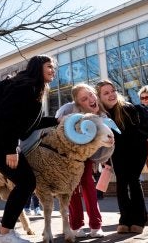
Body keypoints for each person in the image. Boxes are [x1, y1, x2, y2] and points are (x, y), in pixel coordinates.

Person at [0, 55, 58, 243]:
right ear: (37, 67)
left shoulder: (31, 87)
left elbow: (27, 122)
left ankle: (5, 232)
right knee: (26, 182)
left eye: (54, 67)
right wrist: (11, 148)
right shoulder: (26, 87)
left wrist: (57, 121)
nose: (53, 70)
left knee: (25, 182)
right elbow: (7, 117)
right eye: (49, 66)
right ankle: (4, 234)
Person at [96, 80, 148, 234]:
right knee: (122, 182)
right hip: (117, 151)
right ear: (99, 97)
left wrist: (139, 135)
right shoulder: (101, 115)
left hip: (136, 149)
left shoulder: (131, 108)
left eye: (113, 90)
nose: (111, 94)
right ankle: (125, 219)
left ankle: (139, 220)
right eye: (106, 93)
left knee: (133, 181)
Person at [55, 83, 113, 238]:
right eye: (84, 99)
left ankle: (96, 225)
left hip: (86, 157)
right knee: (72, 190)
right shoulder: (68, 109)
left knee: (88, 186)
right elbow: (54, 126)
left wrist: (98, 159)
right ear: (78, 103)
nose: (91, 99)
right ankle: (76, 226)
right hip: (67, 157)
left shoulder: (102, 116)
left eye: (91, 95)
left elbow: (105, 144)